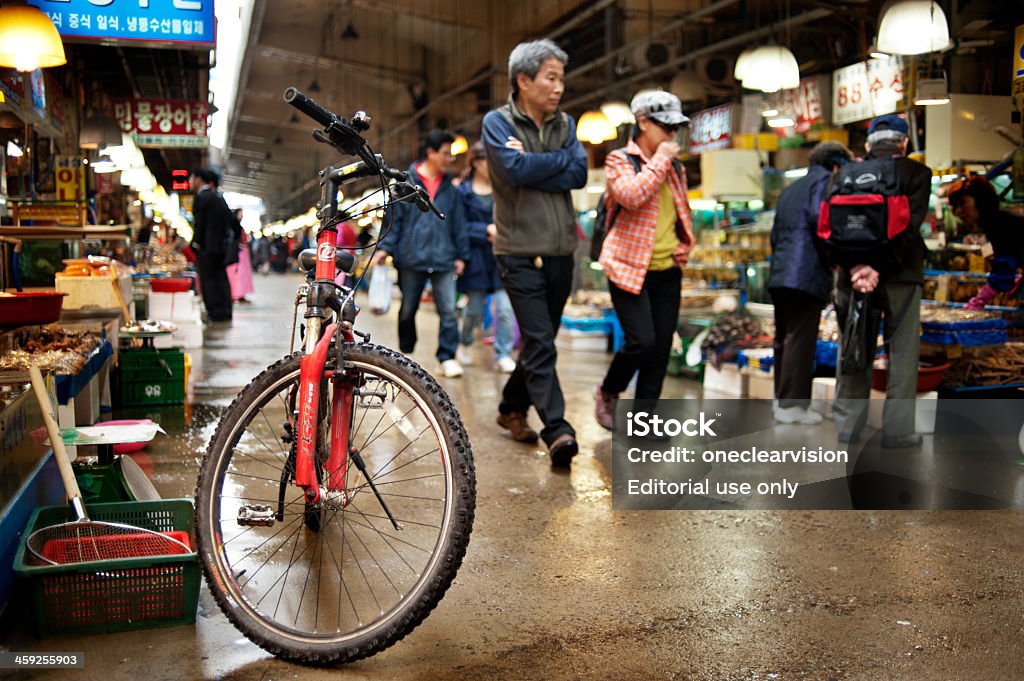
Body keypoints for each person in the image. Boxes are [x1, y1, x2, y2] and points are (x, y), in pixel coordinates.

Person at [482, 39, 588, 466]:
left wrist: (541, 162)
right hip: (519, 251)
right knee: (541, 340)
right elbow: (513, 170)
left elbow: (579, 172)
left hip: (562, 250)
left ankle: (510, 408)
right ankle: (558, 429)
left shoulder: (566, 123)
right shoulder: (497, 122)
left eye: (561, 78)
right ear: (523, 80)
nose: (559, 87)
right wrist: (555, 163)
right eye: (550, 78)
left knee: (539, 341)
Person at [593, 91, 695, 431]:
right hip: (627, 267)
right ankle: (608, 391)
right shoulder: (619, 159)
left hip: (667, 268)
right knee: (641, 341)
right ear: (643, 122)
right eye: (664, 126)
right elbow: (632, 196)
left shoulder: (675, 167)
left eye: (675, 127)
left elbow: (681, 210)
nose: (671, 134)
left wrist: (684, 248)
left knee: (661, 348)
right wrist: (661, 159)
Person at [833, 114, 931, 449]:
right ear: (904, 143)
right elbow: (910, 225)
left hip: (853, 277)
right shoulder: (917, 173)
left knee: (854, 346)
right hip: (901, 275)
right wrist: (880, 267)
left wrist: (859, 267)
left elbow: (832, 229)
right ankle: (898, 430)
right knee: (902, 352)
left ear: (868, 144)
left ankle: (848, 426)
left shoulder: (846, 173)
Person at [768, 141, 854, 425]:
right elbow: (822, 222)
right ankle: (794, 406)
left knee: (784, 337)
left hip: (781, 271)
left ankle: (782, 401)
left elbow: (775, 233)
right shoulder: (825, 183)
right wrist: (835, 258)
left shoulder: (792, 187)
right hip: (806, 271)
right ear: (837, 165)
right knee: (800, 338)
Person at [373, 129, 469, 378]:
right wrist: (385, 247)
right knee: (408, 309)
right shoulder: (406, 183)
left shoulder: (452, 189)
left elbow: (459, 224)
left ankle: (446, 356)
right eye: (446, 154)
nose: (450, 159)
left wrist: (461, 255)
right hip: (411, 256)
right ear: (431, 153)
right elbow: (393, 218)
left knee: (448, 310)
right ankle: (407, 352)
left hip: (444, 258)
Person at [455, 142, 518, 374]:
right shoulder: (463, 191)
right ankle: (465, 342)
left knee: (504, 309)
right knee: (474, 309)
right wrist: (485, 230)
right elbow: (458, 226)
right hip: (475, 257)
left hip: (501, 256)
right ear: (475, 161)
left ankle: (503, 353)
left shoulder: (503, 189)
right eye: (485, 160)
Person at [947, 176, 1024, 309]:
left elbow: (1003, 273)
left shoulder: (1000, 224)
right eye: (955, 206)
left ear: (981, 201)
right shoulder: (998, 222)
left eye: (962, 203)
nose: (958, 211)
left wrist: (978, 302)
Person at [190, 168, 234, 323]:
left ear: (199, 179)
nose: (191, 181)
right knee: (220, 279)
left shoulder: (202, 197)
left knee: (208, 280)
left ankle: (214, 312)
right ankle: (225, 310)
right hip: (220, 248)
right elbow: (232, 221)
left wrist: (195, 243)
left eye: (192, 178)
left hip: (207, 248)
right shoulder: (218, 197)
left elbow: (199, 223)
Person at [227, 208, 255, 303]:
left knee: (241, 275)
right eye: (240, 214)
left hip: (241, 254)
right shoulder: (234, 226)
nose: (242, 216)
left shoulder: (238, 226)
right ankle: (234, 294)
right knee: (235, 274)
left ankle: (240, 294)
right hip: (236, 254)